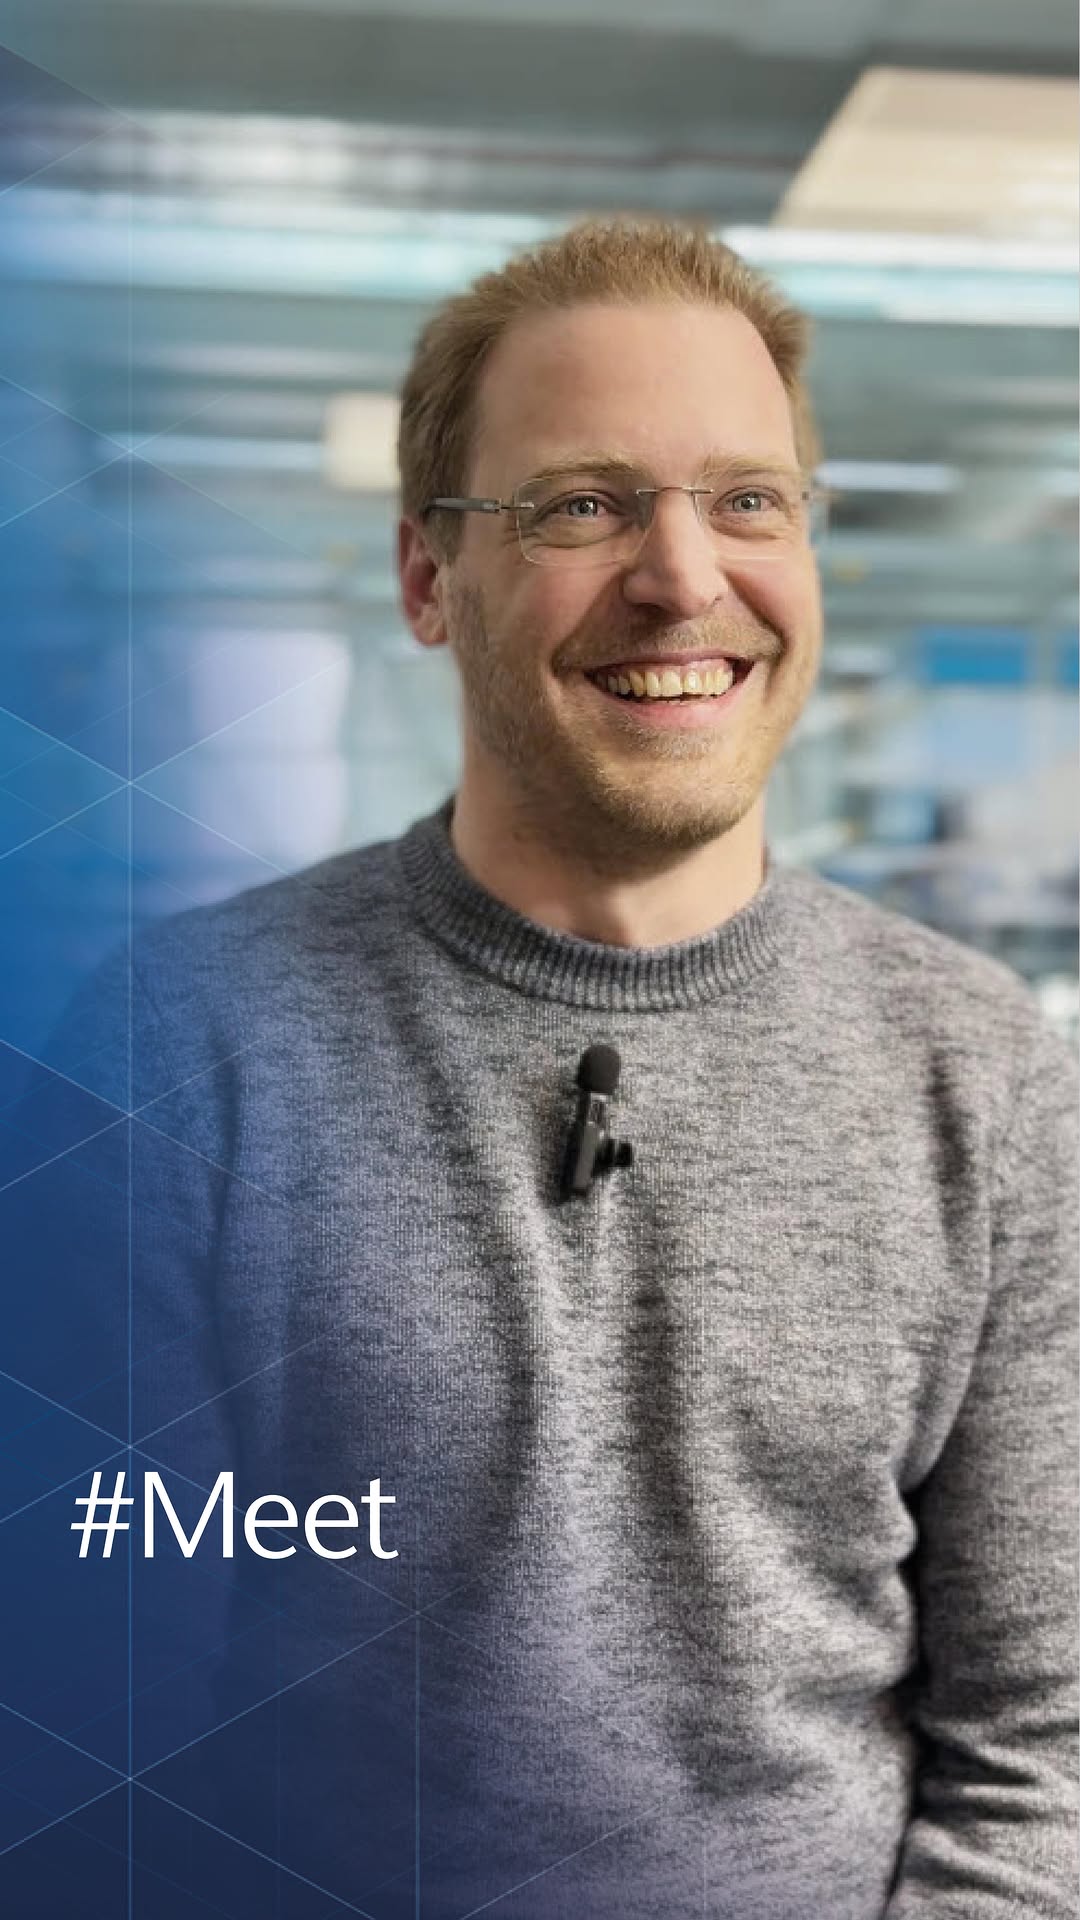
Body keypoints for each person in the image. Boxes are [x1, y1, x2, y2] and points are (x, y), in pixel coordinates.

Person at [12, 217, 1077, 1919]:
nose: (684, 575)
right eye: (582, 505)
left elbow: (1044, 1751)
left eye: (750, 500)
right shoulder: (182, 1046)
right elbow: (87, 1713)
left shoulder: (985, 1075)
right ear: (428, 579)